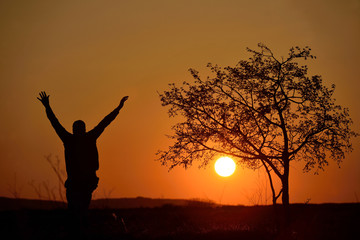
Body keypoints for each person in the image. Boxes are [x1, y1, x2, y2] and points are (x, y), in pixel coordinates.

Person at [37, 91, 128, 217]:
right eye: (77, 128)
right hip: (76, 183)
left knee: (79, 211)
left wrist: (118, 108)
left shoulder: (79, 138)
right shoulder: (74, 139)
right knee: (77, 212)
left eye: (79, 128)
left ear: (82, 129)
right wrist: (47, 107)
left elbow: (105, 122)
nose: (78, 131)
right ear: (75, 130)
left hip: (85, 182)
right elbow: (55, 122)